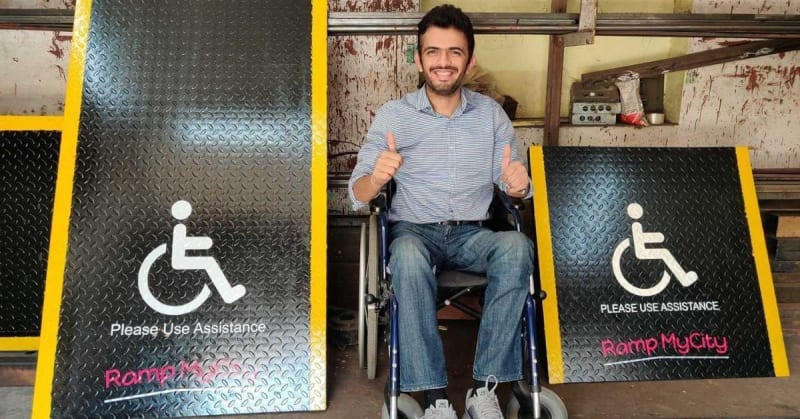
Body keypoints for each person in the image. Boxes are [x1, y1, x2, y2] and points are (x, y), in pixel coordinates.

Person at [348, 4, 534, 418]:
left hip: (473, 233)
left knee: (518, 248)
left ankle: (483, 391)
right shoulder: (395, 116)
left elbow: (513, 183)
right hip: (414, 232)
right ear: (418, 58)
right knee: (409, 257)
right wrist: (376, 178)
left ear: (469, 59)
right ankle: (435, 399)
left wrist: (519, 186)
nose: (443, 62)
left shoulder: (490, 116)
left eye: (454, 52)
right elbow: (357, 193)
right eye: (433, 52)